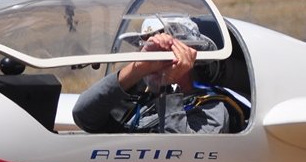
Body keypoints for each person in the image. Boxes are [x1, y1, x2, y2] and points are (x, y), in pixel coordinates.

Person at [72, 16, 243, 135]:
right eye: (147, 48)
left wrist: (168, 84)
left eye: (162, 52)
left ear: (187, 55)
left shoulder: (212, 109)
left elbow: (181, 158)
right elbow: (83, 115)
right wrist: (137, 68)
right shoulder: (139, 103)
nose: (153, 58)